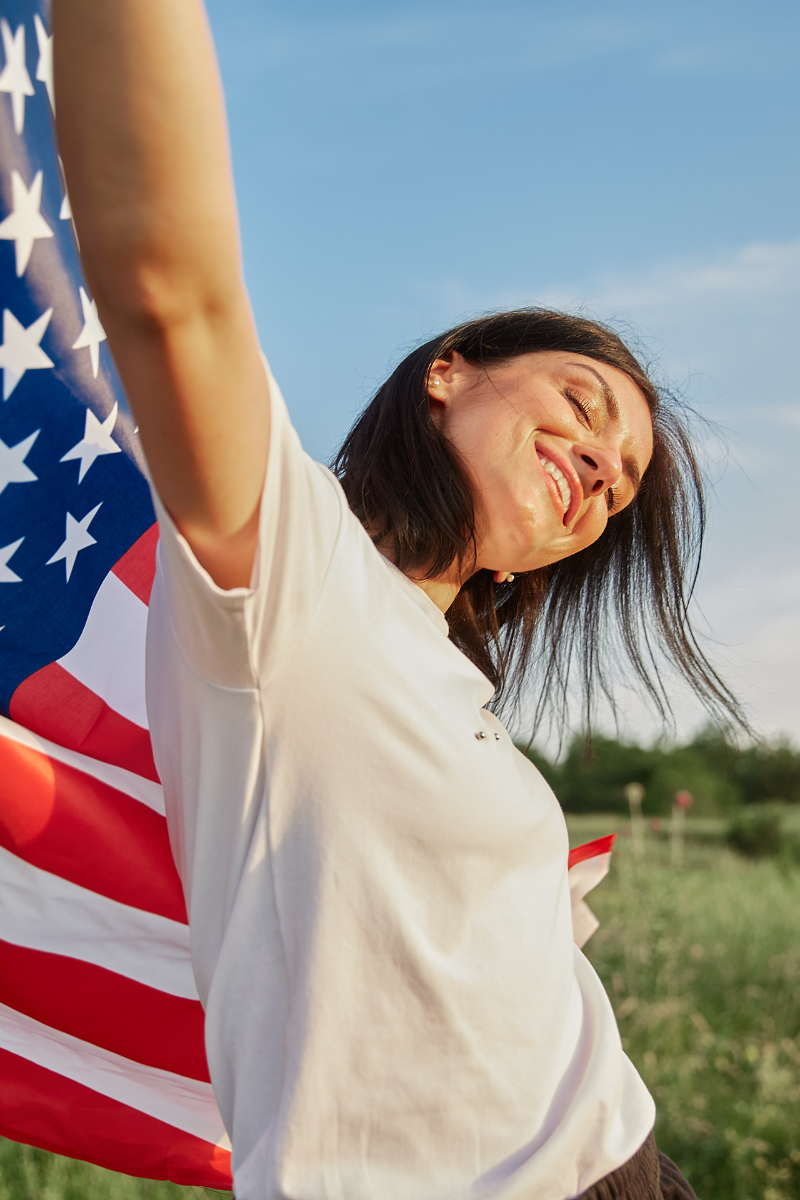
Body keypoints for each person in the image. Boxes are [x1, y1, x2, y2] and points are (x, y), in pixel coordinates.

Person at [54, 2, 739, 1196]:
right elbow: (172, 289)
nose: (597, 466)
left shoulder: (445, 677)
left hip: (624, 1162)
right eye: (580, 404)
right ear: (445, 372)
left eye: (617, 483)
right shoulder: (292, 581)